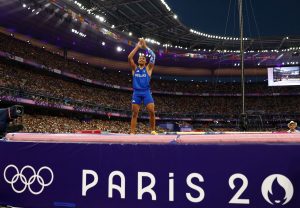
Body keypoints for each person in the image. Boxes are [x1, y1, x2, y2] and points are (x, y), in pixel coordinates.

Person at [128, 38, 157, 134]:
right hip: (136, 92)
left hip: (146, 92)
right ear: (138, 60)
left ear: (145, 61)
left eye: (143, 58)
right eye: (140, 58)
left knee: (152, 111)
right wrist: (137, 47)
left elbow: (153, 55)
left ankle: (152, 130)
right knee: (135, 113)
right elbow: (129, 58)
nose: (141, 59)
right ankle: (132, 132)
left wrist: (145, 47)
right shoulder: (134, 68)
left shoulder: (149, 68)